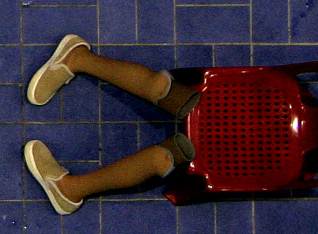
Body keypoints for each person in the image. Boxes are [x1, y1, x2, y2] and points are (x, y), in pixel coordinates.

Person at [21, 34, 197, 214]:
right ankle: (76, 58)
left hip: (224, 162)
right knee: (159, 87)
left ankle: (68, 190)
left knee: (160, 160)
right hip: (223, 105)